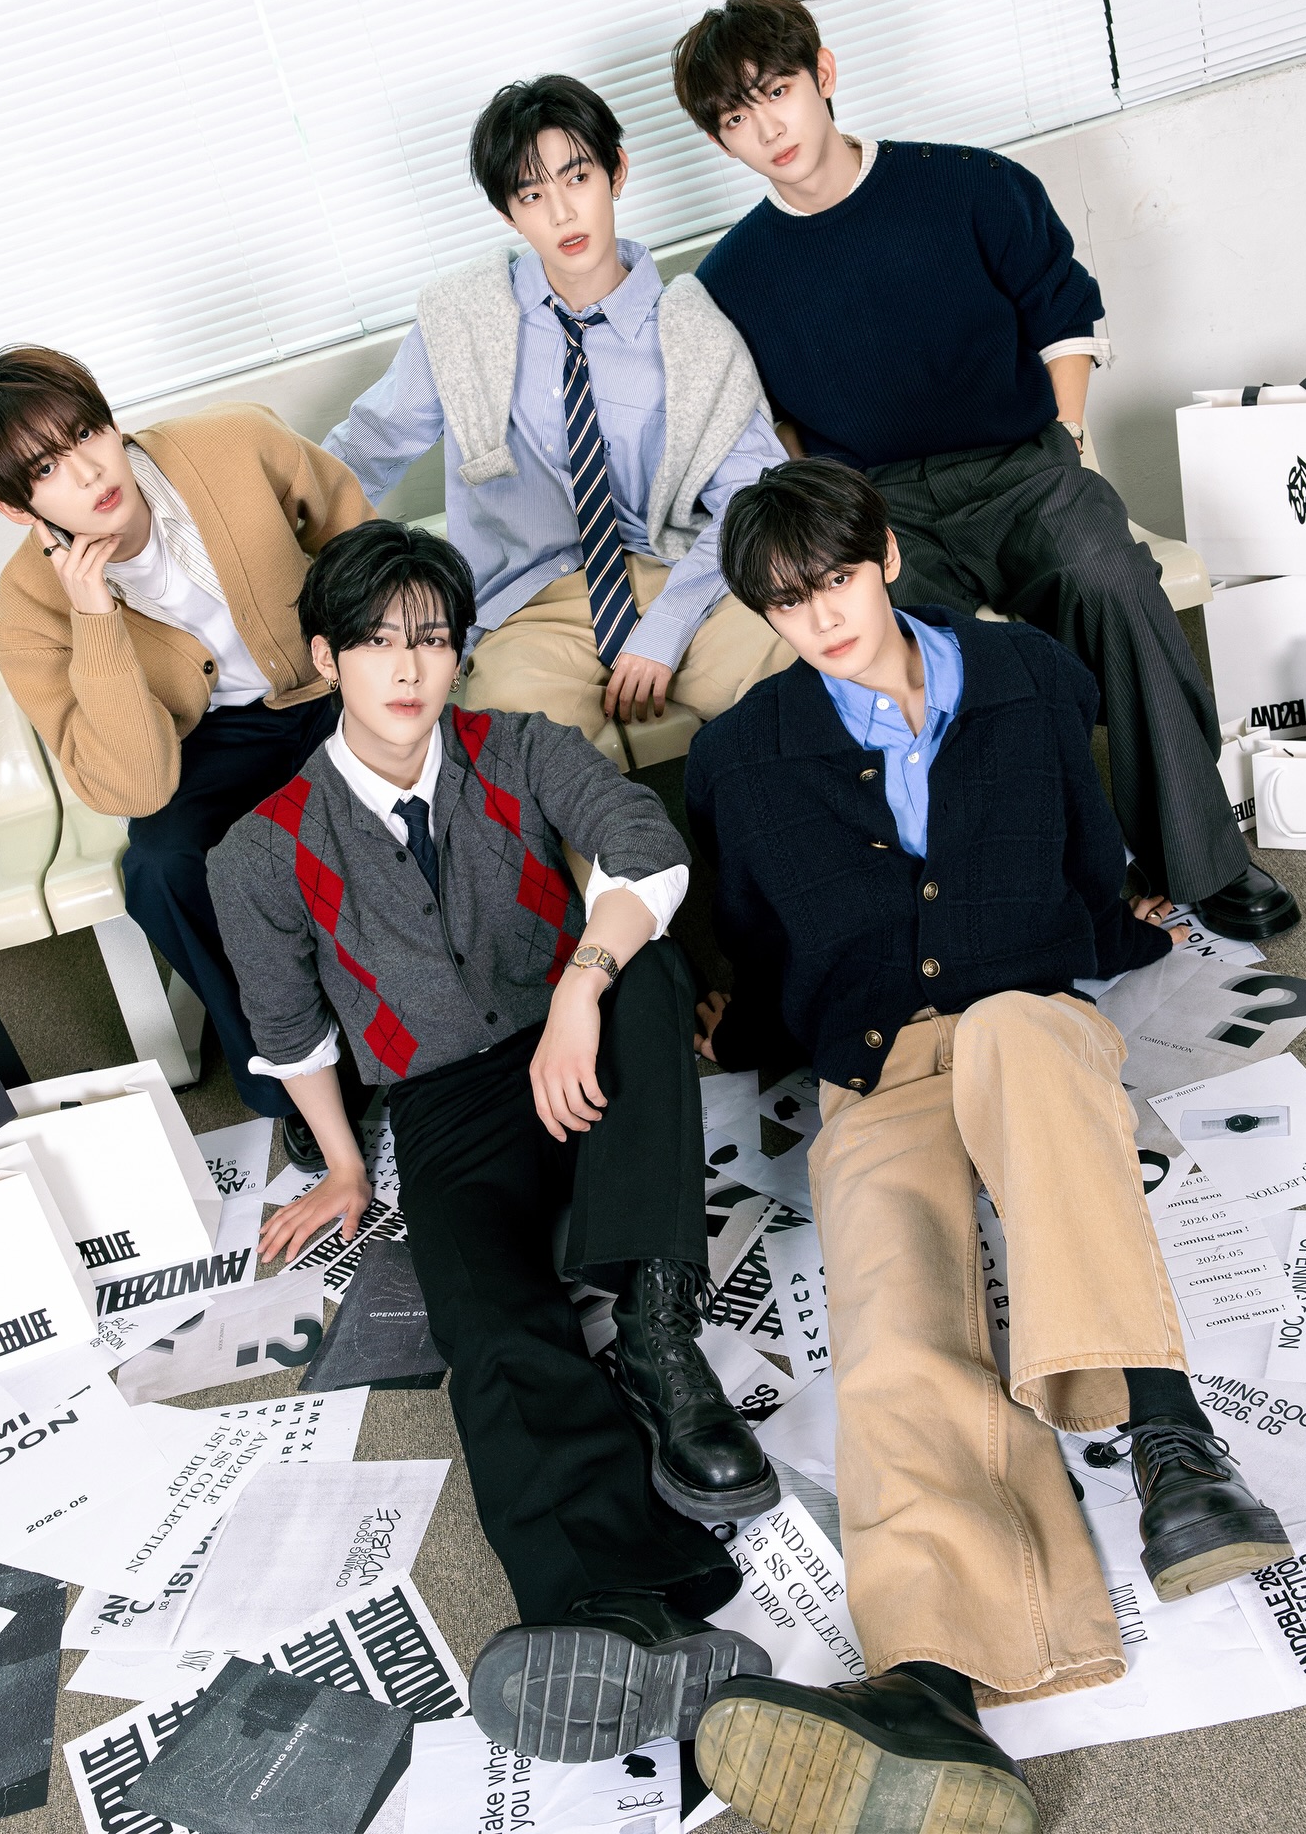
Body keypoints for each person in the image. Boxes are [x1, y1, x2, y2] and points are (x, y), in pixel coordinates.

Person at [682, 460, 1292, 1834]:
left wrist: (1129, 926)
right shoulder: (739, 757)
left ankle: (1172, 1442)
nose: (822, 619)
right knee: (892, 1328)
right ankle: (935, 1686)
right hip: (874, 1064)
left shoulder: (1025, 678)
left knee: (1023, 1035)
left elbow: (1084, 852)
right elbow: (759, 939)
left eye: (837, 580)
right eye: (787, 603)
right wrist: (745, 1023)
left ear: (886, 558)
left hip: (1028, 1019)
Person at [205, 518, 778, 1760]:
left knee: (648, 968)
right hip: (445, 1103)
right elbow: (289, 1029)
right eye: (376, 642)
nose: (409, 667)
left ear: (459, 650)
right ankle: (618, 1605)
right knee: (493, 1327)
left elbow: (645, 846)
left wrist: (581, 983)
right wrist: (344, 1165)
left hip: (581, 1044)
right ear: (327, 658)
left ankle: (657, 1330)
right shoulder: (261, 850)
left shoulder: (519, 746)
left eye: (431, 638)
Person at [670, 0, 1298, 946]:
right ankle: (1028, 889)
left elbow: (1063, 313)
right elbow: (777, 430)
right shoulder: (732, 279)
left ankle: (1200, 860)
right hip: (878, 507)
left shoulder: (969, 183)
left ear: (823, 74)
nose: (767, 129)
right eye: (735, 119)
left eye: (777, 92)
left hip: (1024, 465)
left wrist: (1071, 441)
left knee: (1111, 580)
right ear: (721, 142)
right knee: (904, 652)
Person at [0, 347, 376, 1169]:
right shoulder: (27, 613)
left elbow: (362, 539)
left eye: (85, 434)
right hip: (208, 744)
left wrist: (376, 661)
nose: (89, 472)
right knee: (162, 869)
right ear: (14, 507)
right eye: (46, 469)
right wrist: (95, 618)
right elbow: (136, 786)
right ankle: (294, 1084)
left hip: (330, 686)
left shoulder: (236, 443)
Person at [321, 74, 794, 754]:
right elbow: (367, 449)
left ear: (616, 172)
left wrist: (667, 627)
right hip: (529, 607)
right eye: (532, 195)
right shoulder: (463, 319)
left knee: (795, 685)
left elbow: (754, 499)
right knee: (515, 752)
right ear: (508, 214)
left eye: (577, 178)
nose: (564, 213)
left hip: (682, 578)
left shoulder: (691, 329)